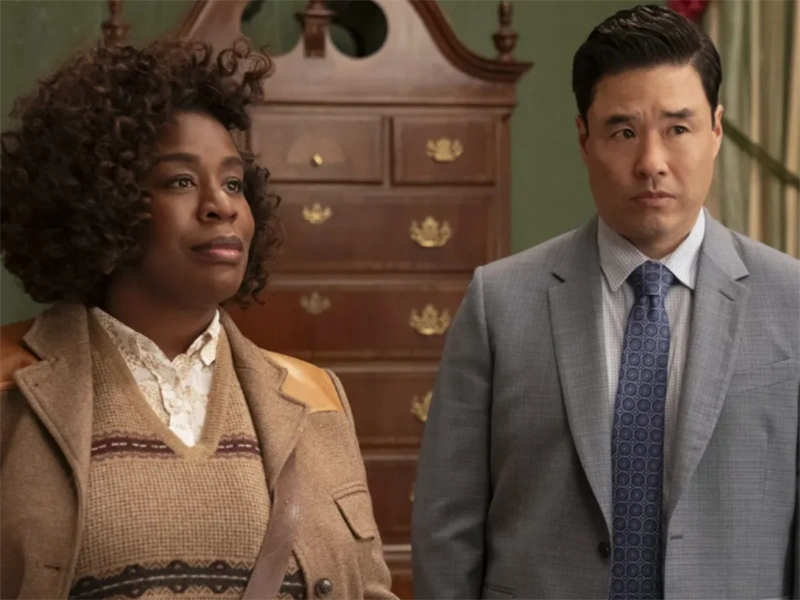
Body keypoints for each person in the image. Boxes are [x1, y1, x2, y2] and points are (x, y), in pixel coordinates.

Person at [411, 4, 800, 600]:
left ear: (716, 130)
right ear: (583, 138)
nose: (651, 163)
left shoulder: (792, 301)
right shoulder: (499, 302)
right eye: (623, 132)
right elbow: (447, 526)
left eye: (678, 129)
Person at [0, 36, 395, 600]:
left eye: (233, 183)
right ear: (101, 202)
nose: (222, 205)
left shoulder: (316, 399)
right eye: (180, 181)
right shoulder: (10, 387)